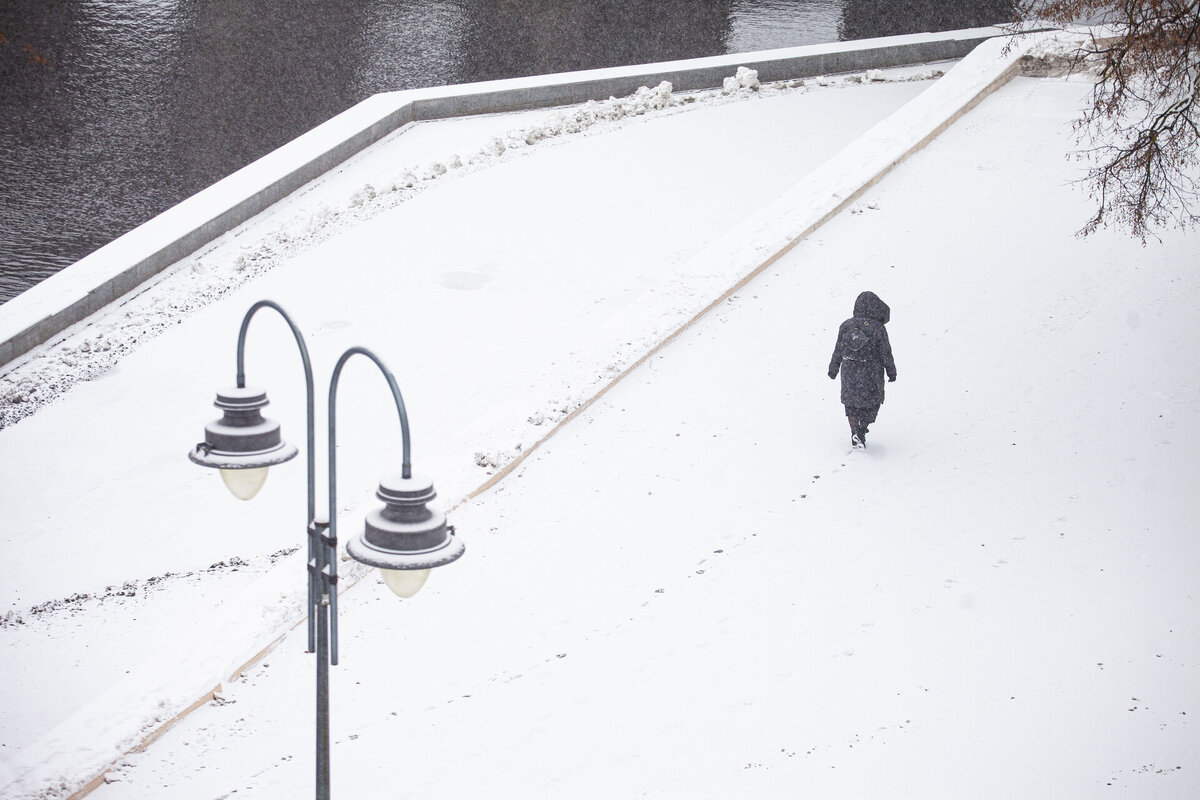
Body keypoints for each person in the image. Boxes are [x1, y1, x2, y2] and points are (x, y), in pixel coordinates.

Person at [828, 290, 897, 448]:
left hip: (849, 372)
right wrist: (891, 371)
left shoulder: (846, 326)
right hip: (871, 373)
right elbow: (885, 352)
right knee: (872, 403)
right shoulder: (878, 328)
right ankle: (862, 429)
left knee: (851, 404)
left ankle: (854, 431)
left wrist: (833, 368)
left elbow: (838, 349)